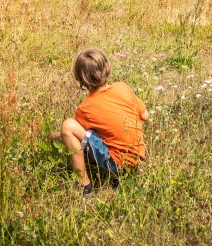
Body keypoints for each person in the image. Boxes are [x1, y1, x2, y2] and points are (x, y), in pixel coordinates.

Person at [52, 48, 149, 195]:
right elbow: (145, 116)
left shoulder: (85, 109)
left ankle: (84, 186)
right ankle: (120, 176)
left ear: (80, 78)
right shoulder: (122, 87)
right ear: (107, 66)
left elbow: (76, 138)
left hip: (117, 163)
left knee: (68, 127)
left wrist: (54, 137)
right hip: (138, 158)